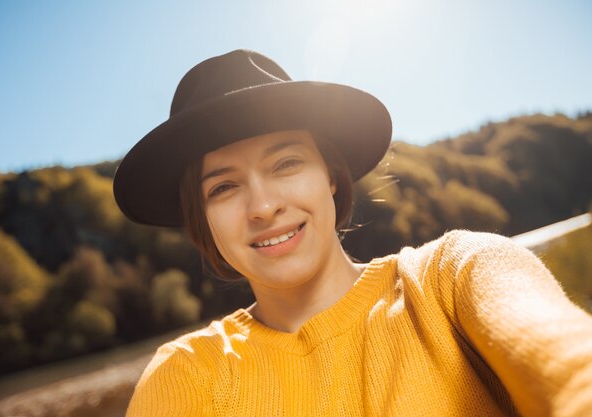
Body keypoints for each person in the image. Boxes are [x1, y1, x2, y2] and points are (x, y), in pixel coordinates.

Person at [113, 50, 592, 417]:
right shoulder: (185, 376)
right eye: (223, 187)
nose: (262, 206)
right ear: (203, 218)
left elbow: (571, 367)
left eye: (286, 163)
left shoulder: (456, 276)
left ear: (332, 177)